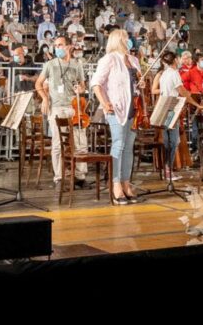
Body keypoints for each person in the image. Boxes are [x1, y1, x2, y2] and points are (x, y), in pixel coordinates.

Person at [90, 28, 141, 205]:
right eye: (126, 37)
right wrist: (104, 103)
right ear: (118, 40)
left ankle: (126, 183)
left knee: (129, 147)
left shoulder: (134, 60)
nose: (129, 40)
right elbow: (96, 83)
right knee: (118, 145)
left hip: (134, 108)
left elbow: (136, 83)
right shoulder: (109, 59)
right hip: (116, 108)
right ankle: (116, 184)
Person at [36, 37, 89, 188]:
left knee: (79, 143)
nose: (57, 47)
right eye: (56, 45)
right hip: (57, 108)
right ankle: (59, 177)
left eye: (60, 45)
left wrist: (81, 89)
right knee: (58, 144)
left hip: (74, 107)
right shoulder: (50, 65)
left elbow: (83, 85)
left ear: (69, 47)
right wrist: (45, 99)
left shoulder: (77, 64)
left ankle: (80, 176)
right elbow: (38, 84)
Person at [154, 49, 185, 183]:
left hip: (164, 107)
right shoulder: (173, 73)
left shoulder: (164, 74)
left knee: (168, 141)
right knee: (173, 141)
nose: (179, 61)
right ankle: (167, 169)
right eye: (177, 59)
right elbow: (182, 91)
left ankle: (167, 169)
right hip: (171, 108)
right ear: (174, 60)